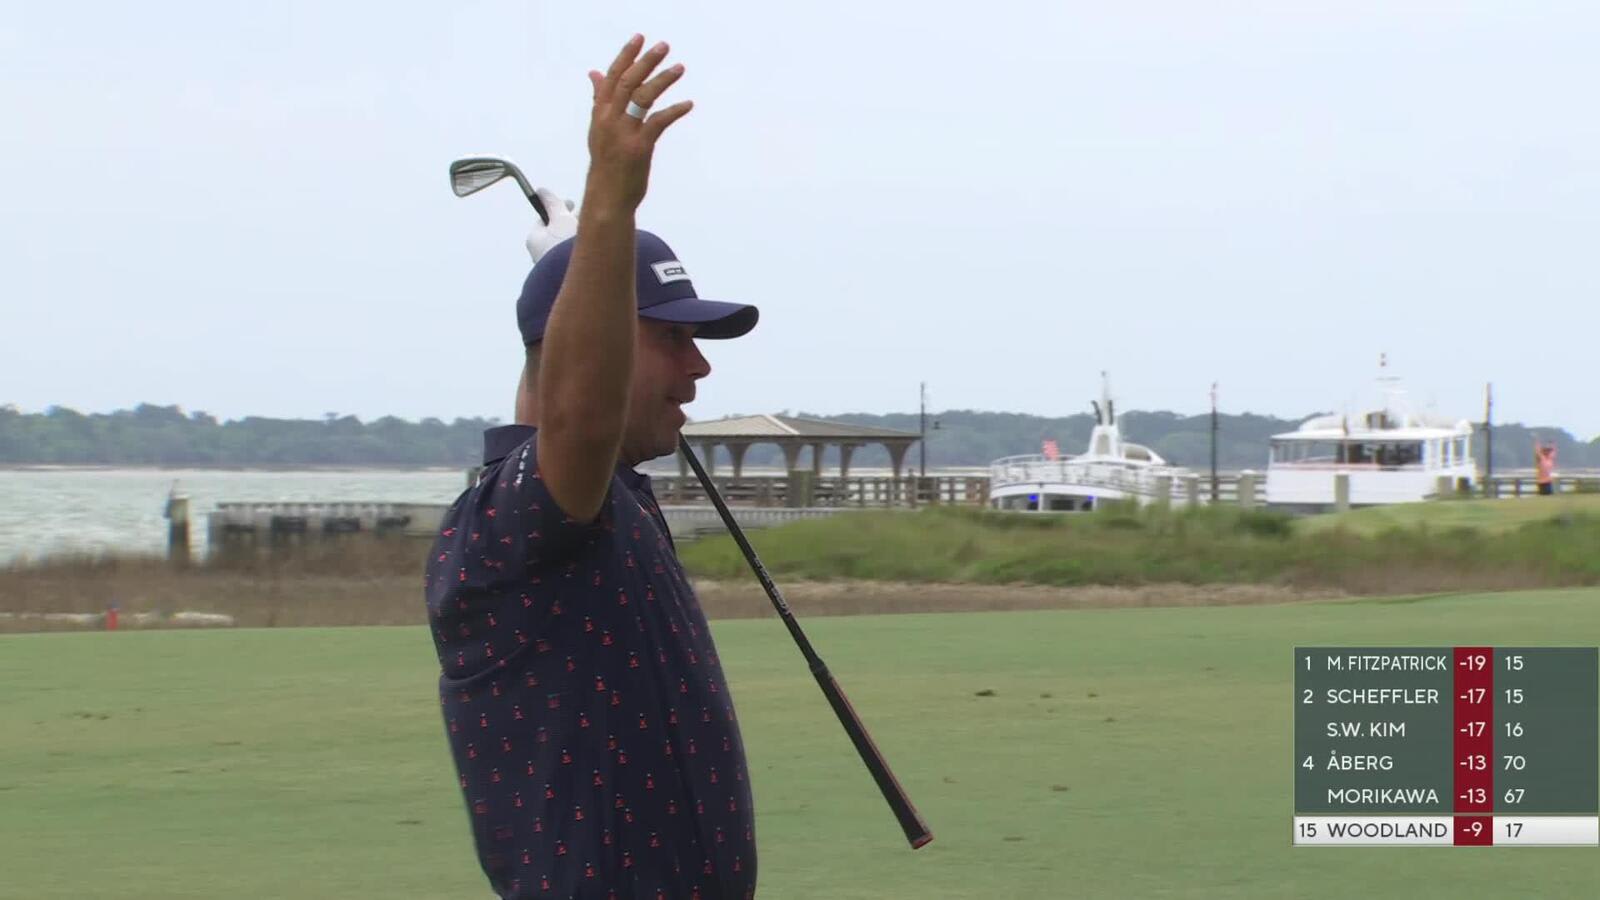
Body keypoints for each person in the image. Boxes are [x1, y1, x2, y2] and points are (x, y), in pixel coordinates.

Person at [424, 36, 759, 899]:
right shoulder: (513, 516)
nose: (699, 367)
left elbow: (579, 401)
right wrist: (611, 196)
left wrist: (581, 257)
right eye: (673, 337)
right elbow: (575, 416)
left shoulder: (611, 495)